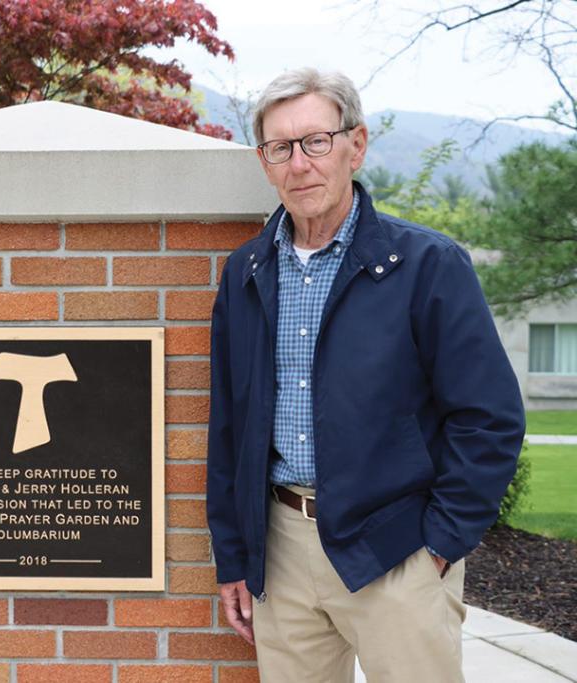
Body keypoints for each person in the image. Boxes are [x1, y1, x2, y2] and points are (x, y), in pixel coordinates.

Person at [207, 68, 525, 683]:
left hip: (397, 547)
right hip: (280, 549)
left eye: (317, 141)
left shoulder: (428, 265)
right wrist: (235, 556)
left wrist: (438, 544)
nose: (300, 164)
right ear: (265, 162)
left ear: (357, 144)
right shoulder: (245, 272)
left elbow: (489, 419)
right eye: (281, 148)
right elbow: (230, 426)